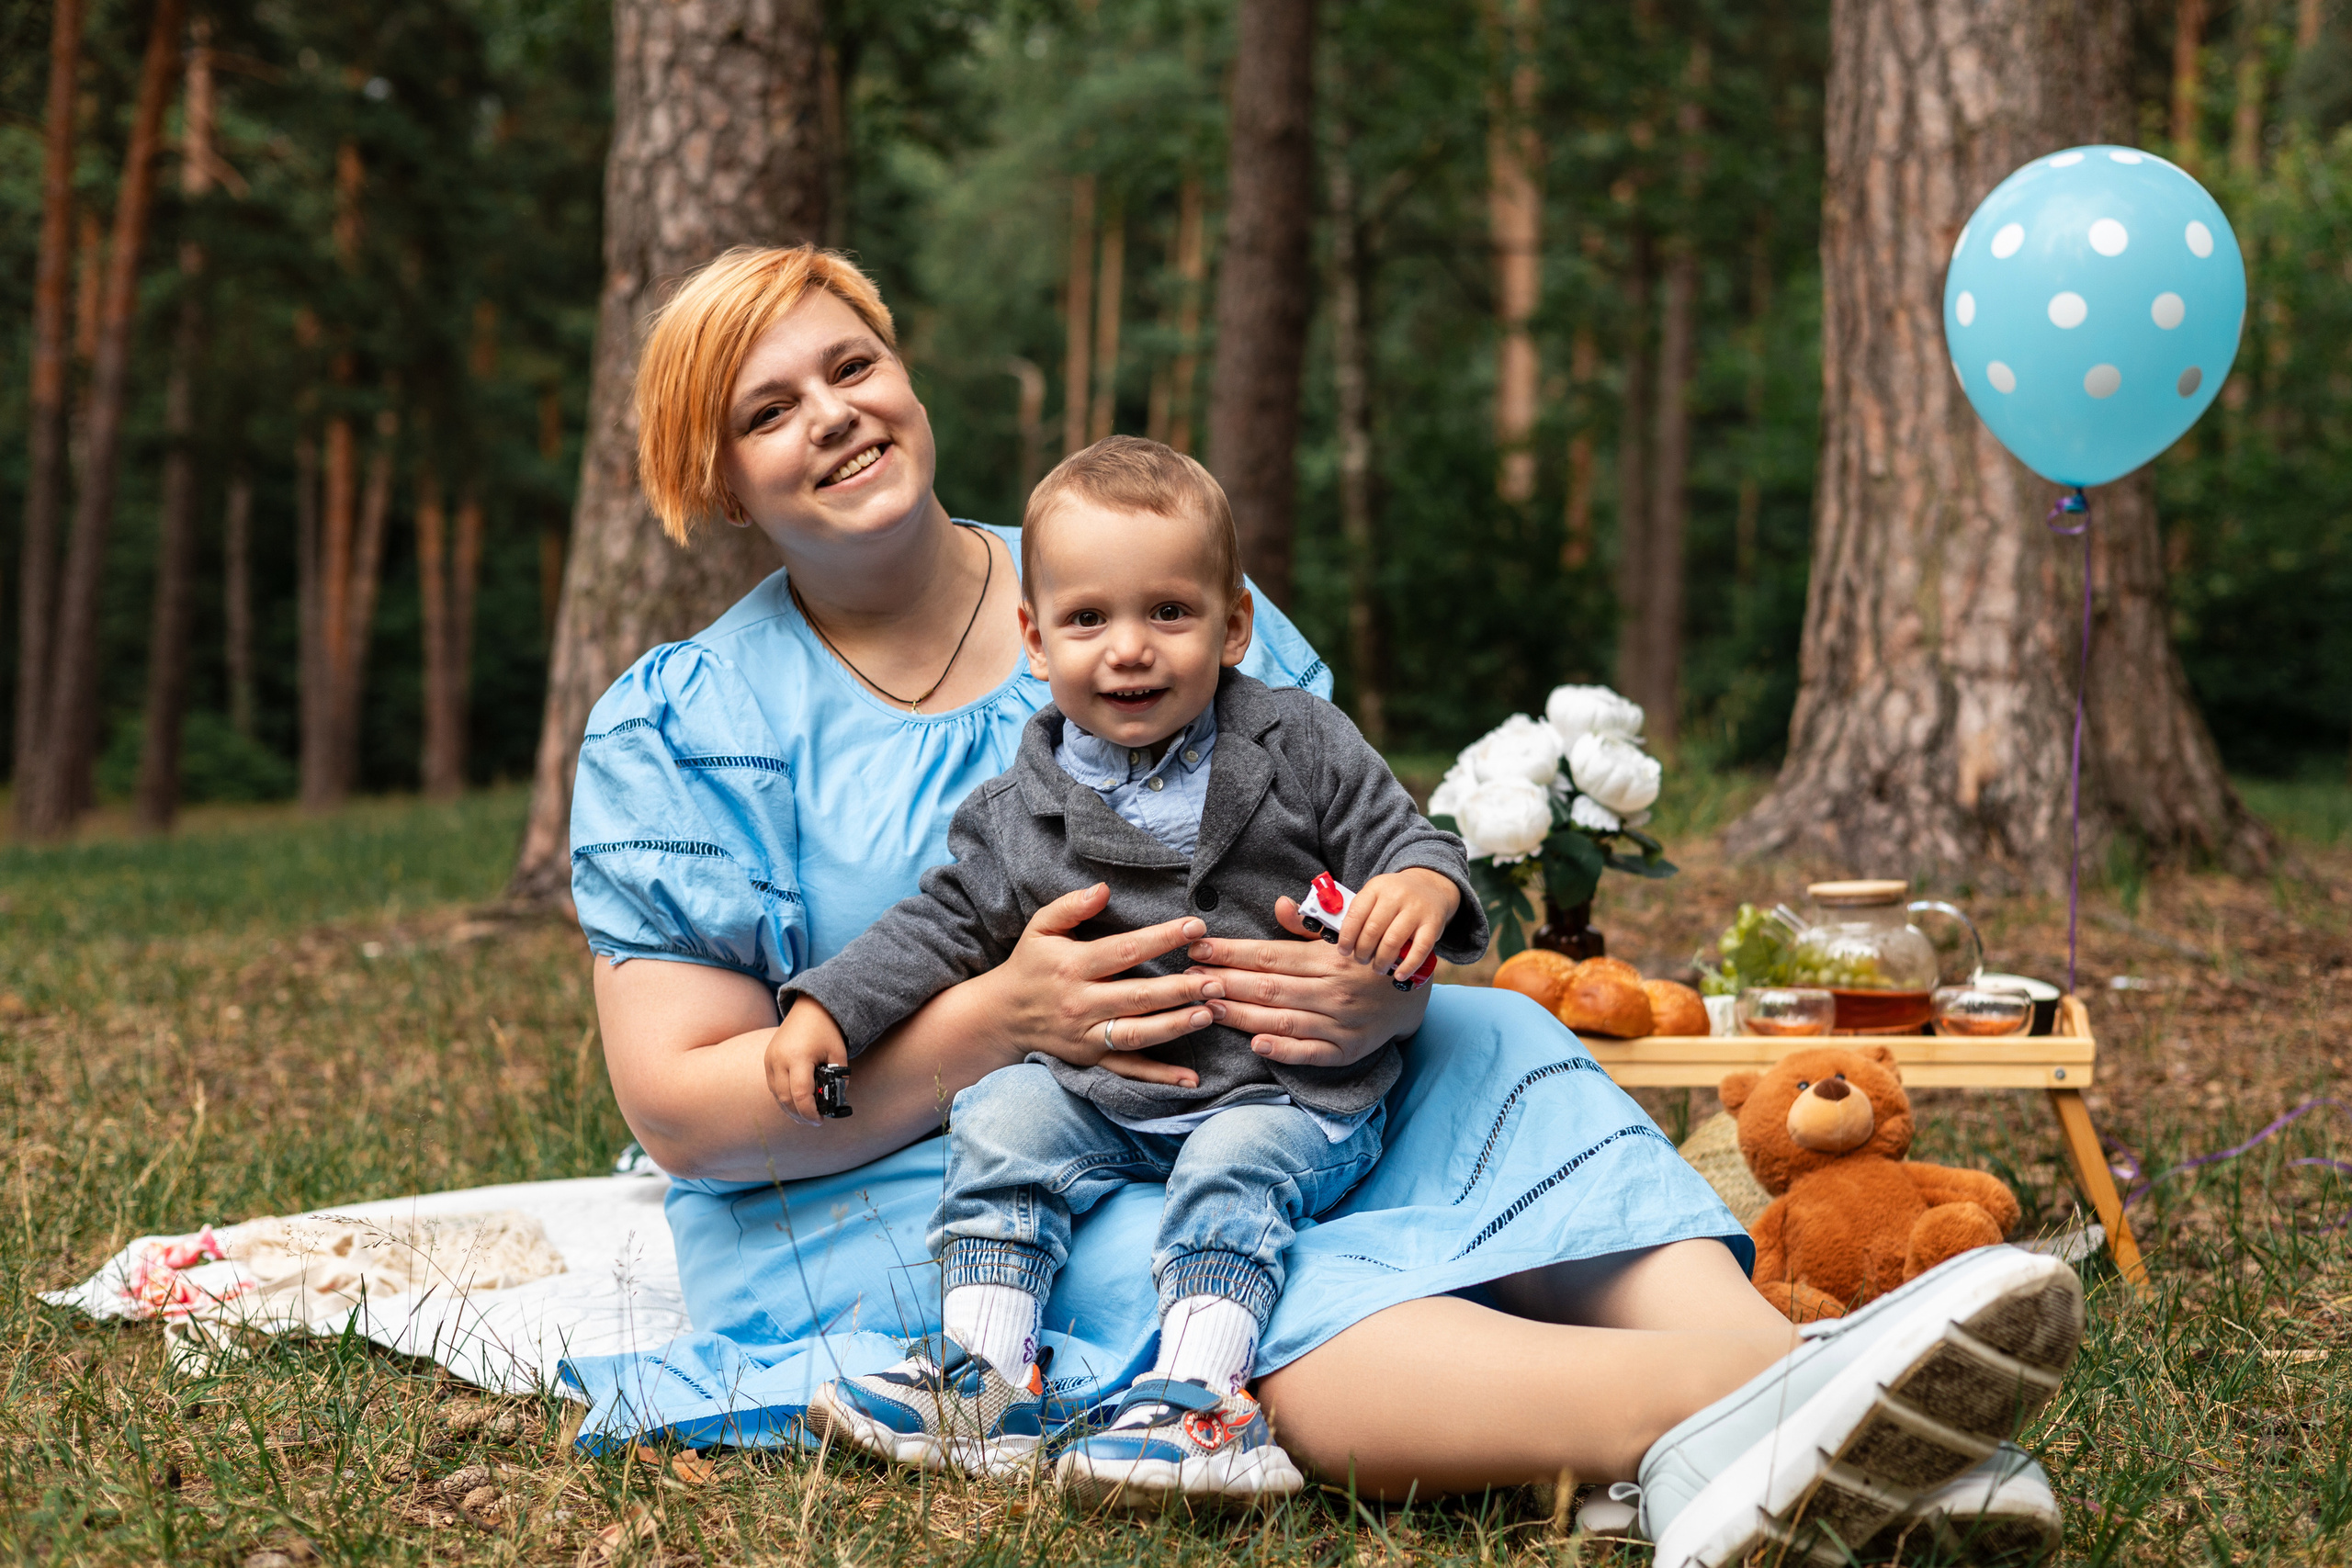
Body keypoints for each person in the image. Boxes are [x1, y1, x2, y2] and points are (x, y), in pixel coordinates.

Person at [570, 244, 2082, 1566]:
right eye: (769, 409)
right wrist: (1001, 1024)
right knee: (1213, 1251)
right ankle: (1794, 1401)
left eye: (853, 366)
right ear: (719, 481)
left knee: (1500, 1041)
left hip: (1268, 1078)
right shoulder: (686, 723)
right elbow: (687, 1111)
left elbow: (1348, 852)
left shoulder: (1134, 555)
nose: (833, 413)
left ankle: (1781, 1372)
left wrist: (1378, 986)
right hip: (919, 1175)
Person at [770, 436, 1487, 1506]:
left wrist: (1420, 889)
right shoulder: (1018, 810)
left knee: (1234, 1167)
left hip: (1282, 1088)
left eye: (1168, 612)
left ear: (1232, 625)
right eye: (1088, 620)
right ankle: (985, 1377)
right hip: (1104, 1094)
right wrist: (827, 1010)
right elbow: (939, 925)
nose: (1129, 651)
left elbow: (1410, 842)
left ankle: (1200, 1397)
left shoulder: (1301, 745)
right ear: (1034, 639)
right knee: (1003, 1113)